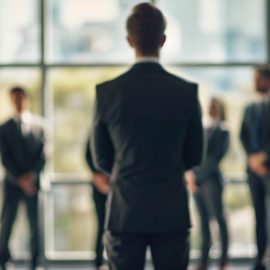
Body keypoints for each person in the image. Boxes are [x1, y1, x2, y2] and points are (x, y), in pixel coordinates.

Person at [90, 3, 204, 270]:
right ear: (163, 40)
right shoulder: (186, 92)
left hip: (125, 212)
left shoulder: (107, 93)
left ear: (129, 41)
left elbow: (101, 159)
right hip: (171, 211)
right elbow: (194, 155)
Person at [0, 87, 46, 270]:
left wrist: (31, 176)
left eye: (20, 98)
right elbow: (5, 158)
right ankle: (4, 261)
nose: (18, 102)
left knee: (35, 225)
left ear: (27, 99)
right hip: (13, 184)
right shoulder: (3, 128)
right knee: (7, 223)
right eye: (14, 98)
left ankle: (36, 263)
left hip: (33, 184)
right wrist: (20, 178)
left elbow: (44, 156)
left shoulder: (40, 126)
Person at [185, 98, 229, 270]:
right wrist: (192, 176)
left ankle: (223, 261)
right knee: (203, 222)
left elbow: (214, 159)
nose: (211, 108)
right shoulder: (204, 129)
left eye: (214, 105)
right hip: (197, 183)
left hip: (211, 181)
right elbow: (194, 154)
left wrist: (197, 175)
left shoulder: (223, 130)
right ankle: (203, 261)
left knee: (219, 219)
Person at [240, 66, 270, 270]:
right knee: (259, 216)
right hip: (253, 170)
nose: (255, 82)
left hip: (268, 167)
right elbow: (243, 135)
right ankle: (260, 258)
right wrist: (252, 158)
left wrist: (264, 157)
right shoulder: (249, 108)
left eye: (258, 78)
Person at [85, 138, 109, 270]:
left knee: (119, 226)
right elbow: (88, 155)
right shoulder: (94, 133)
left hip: (117, 185)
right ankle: (98, 263)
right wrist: (98, 176)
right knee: (101, 224)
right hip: (98, 185)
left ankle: (113, 261)